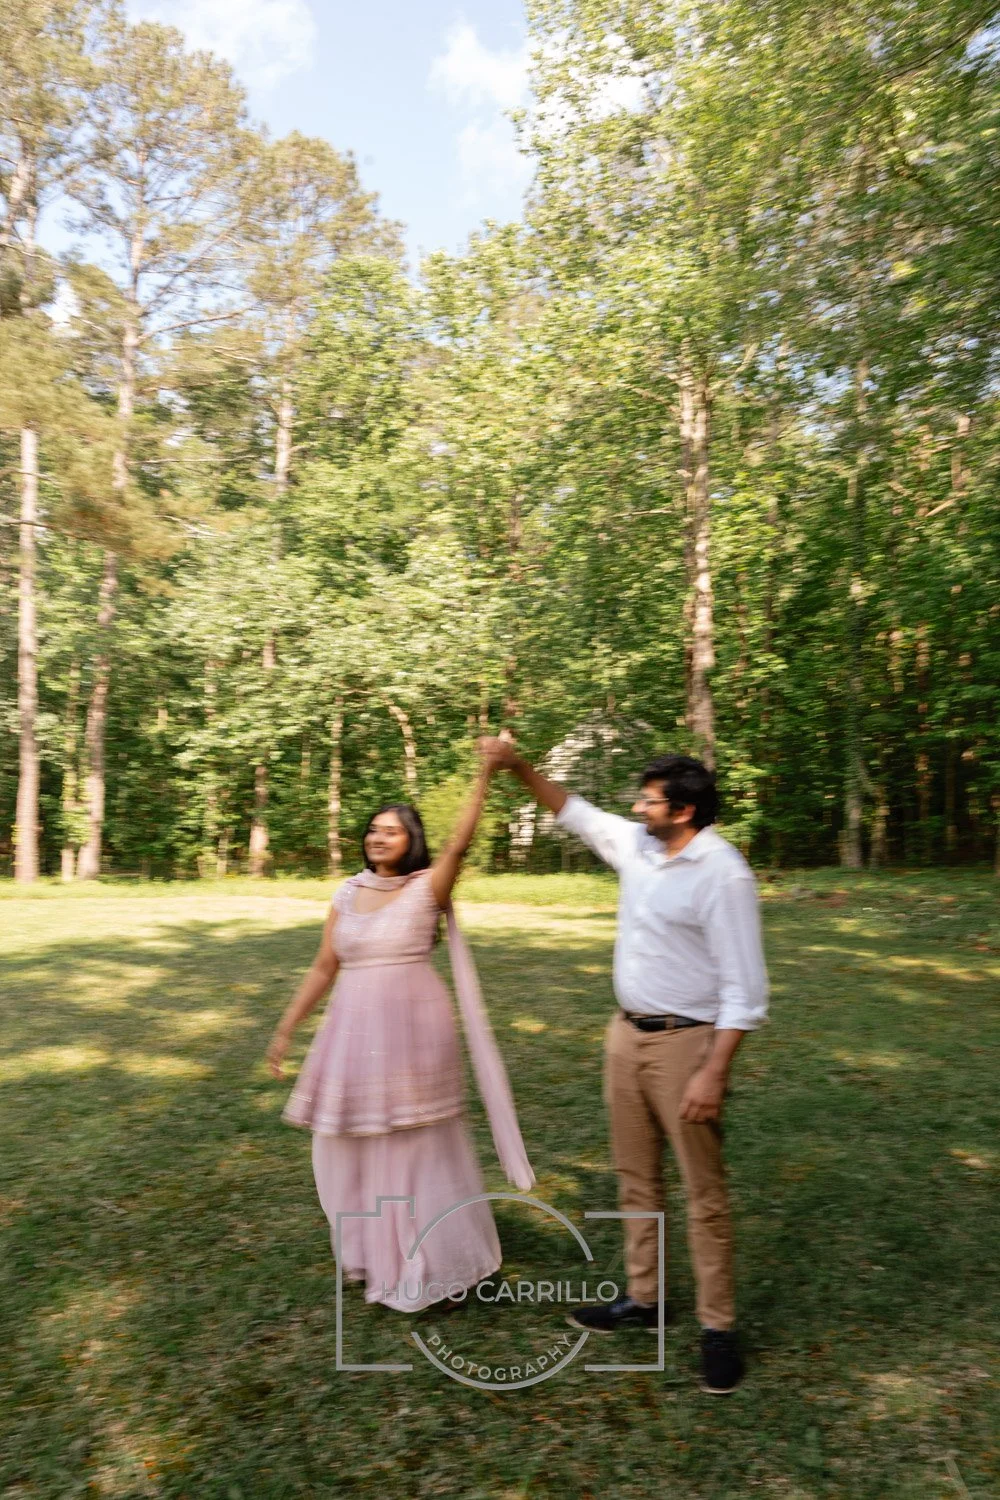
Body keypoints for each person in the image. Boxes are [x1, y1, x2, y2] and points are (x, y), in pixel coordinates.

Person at [480, 739, 768, 1394]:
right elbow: (573, 811)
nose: (638, 806)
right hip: (625, 1036)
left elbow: (744, 990)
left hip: (687, 1044)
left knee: (704, 1190)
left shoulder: (723, 873)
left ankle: (718, 1328)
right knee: (634, 1177)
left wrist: (713, 1072)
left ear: (685, 810)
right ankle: (646, 1298)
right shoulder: (638, 844)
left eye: (650, 798)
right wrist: (519, 766)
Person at [267, 744, 533, 1314]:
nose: (379, 838)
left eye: (391, 831)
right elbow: (323, 966)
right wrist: (286, 1028)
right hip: (351, 1032)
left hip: (415, 1030)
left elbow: (460, 843)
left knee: (416, 1145)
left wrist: (485, 775)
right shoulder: (345, 892)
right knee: (346, 1141)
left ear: (411, 840)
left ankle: (437, 1264)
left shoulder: (428, 888)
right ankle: (368, 1249)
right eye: (373, 830)